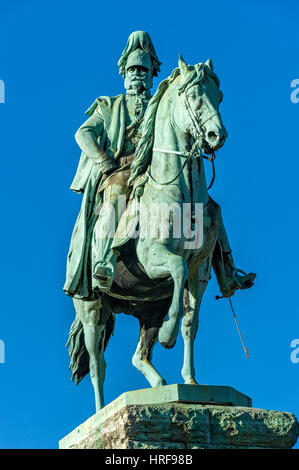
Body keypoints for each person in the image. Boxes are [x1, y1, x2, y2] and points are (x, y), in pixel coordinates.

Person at [64, 31, 255, 301]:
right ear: (123, 73)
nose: (137, 75)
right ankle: (105, 261)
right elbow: (82, 134)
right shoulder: (109, 107)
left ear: (154, 73)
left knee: (211, 208)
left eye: (143, 69)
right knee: (117, 192)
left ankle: (227, 272)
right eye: (132, 69)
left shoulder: (161, 105)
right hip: (118, 170)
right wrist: (104, 161)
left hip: (156, 171)